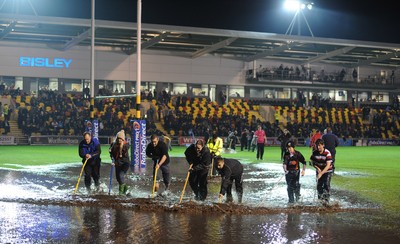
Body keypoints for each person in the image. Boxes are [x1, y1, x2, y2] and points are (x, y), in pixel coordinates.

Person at [310, 139, 333, 204]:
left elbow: (328, 165)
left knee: (326, 184)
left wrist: (321, 173)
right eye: (317, 145)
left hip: (327, 171)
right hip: (319, 170)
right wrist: (317, 168)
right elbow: (312, 162)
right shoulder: (314, 153)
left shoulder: (327, 153)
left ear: (323, 145)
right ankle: (320, 200)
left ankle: (326, 201)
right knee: (319, 185)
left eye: (319, 145)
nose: (318, 147)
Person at [109, 130, 130, 195]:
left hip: (124, 164)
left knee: (121, 176)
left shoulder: (125, 146)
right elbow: (112, 153)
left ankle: (120, 193)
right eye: (118, 138)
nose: (119, 140)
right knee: (118, 179)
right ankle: (127, 191)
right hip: (117, 164)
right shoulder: (113, 144)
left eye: (121, 139)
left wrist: (116, 163)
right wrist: (111, 154)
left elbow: (123, 159)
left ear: (123, 139)